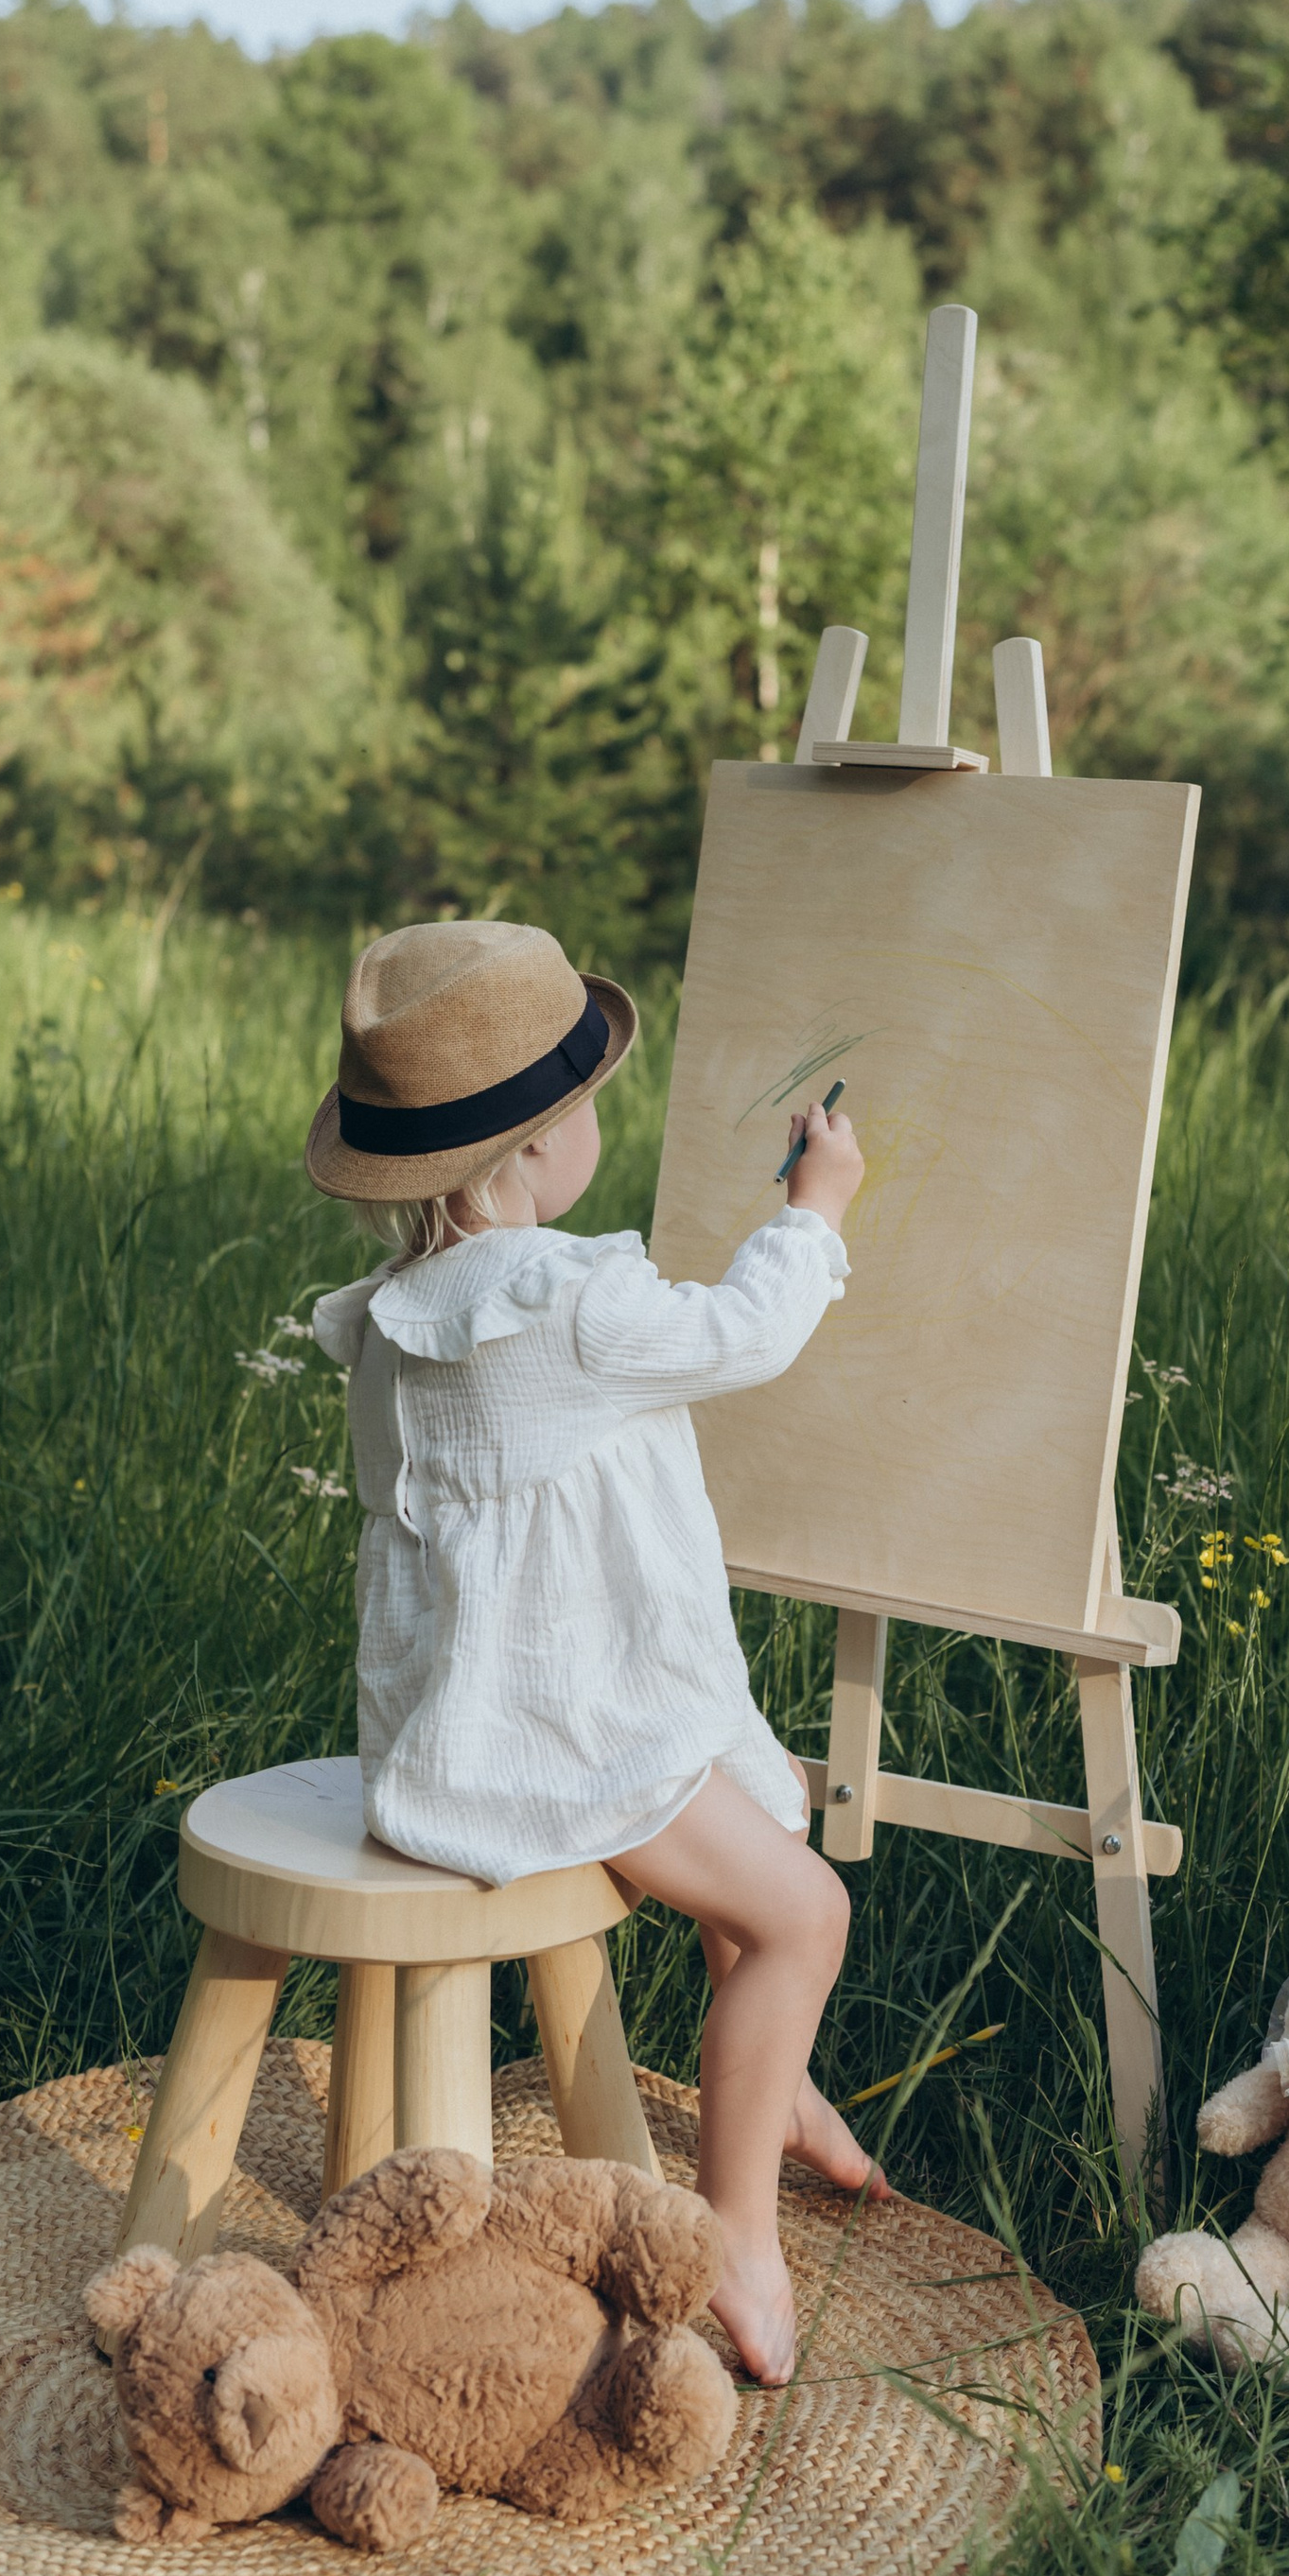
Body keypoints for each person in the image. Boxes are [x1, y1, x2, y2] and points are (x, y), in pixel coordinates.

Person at [305, 917, 883, 2384]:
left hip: (461, 1723)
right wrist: (816, 1206)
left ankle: (782, 2085)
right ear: (528, 1162)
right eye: (586, 1109)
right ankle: (740, 2228)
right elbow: (748, 1332)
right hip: (577, 1737)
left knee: (769, 1811)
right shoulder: (564, 1300)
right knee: (807, 1913)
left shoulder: (391, 1318)